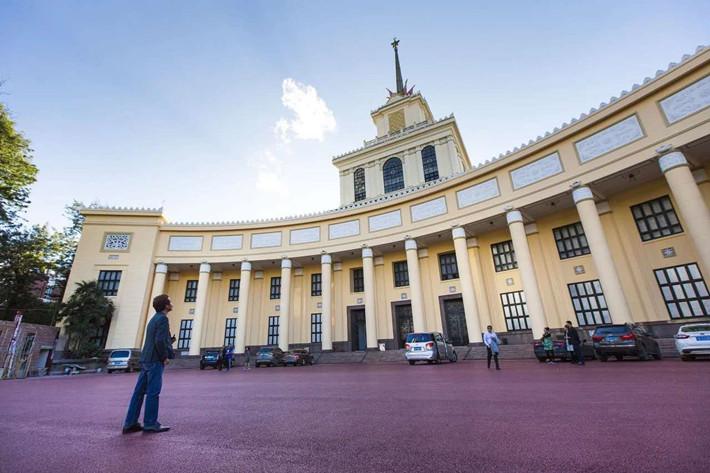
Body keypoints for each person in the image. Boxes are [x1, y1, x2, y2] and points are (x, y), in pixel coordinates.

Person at [122, 294, 175, 434]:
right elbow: (158, 341)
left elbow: (156, 339)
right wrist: (164, 357)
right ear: (165, 305)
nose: (171, 303)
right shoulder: (163, 319)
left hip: (146, 358)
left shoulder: (153, 319)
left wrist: (169, 342)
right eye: (170, 301)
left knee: (138, 392)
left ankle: (130, 423)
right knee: (153, 392)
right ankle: (150, 423)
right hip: (155, 360)